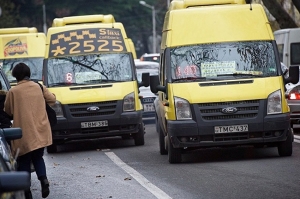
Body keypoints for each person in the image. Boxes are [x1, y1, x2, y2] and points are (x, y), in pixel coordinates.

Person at [4, 62, 56, 199]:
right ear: (28, 74)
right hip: (40, 128)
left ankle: (27, 191)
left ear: (15, 76)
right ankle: (44, 180)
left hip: (23, 132)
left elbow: (8, 110)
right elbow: (52, 100)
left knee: (24, 160)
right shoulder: (38, 86)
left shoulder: (13, 92)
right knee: (38, 157)